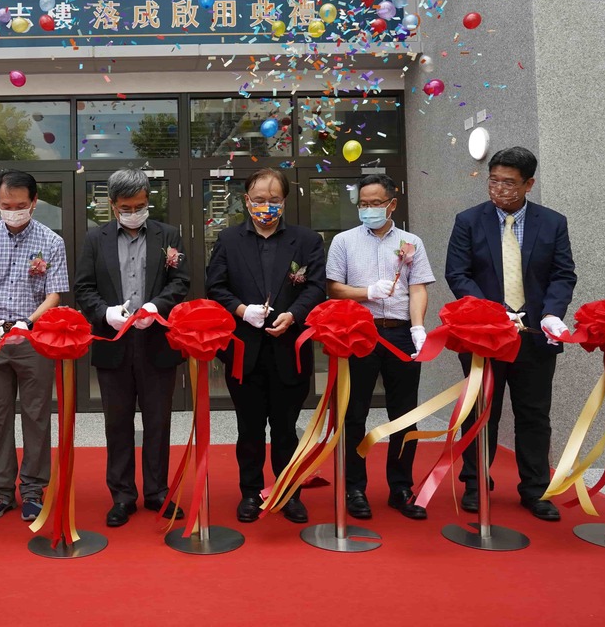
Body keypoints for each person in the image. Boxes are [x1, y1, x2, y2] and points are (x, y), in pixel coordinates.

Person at [445, 146, 576, 521]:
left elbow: (563, 274)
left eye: (509, 183)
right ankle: (474, 483)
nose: (499, 188)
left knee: (534, 415)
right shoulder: (468, 221)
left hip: (535, 336)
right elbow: (458, 273)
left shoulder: (552, 223)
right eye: (494, 180)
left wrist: (552, 314)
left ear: (528, 184)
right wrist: (492, 313)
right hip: (484, 336)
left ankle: (536, 490)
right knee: (480, 412)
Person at [205, 167, 326, 524]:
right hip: (246, 351)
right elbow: (215, 287)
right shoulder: (229, 240)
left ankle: (289, 492)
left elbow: (316, 287)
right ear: (246, 200)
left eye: (273, 201)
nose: (265, 207)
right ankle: (250, 492)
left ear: (284, 201)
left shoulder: (306, 241)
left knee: (287, 429)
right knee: (250, 429)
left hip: (290, 348)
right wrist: (242, 311)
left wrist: (294, 314)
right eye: (259, 200)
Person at [73, 168, 191, 527]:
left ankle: (157, 492)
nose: (135, 211)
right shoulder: (96, 239)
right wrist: (106, 313)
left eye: (141, 205)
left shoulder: (168, 235)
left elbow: (181, 280)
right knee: (118, 423)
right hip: (114, 343)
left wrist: (157, 307)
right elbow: (83, 288)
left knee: (158, 421)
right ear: (112, 206)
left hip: (156, 340)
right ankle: (122, 495)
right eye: (127, 206)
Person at [326, 174, 435, 521]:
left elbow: (418, 287)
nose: (369, 209)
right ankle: (354, 487)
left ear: (392, 203)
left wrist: (418, 326)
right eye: (363, 204)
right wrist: (366, 293)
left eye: (376, 203)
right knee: (353, 412)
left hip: (401, 332)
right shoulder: (343, 241)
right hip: (359, 332)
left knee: (404, 413)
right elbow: (333, 288)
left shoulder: (410, 241)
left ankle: (401, 486)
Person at [0, 170, 68, 522]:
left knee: (36, 415)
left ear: (34, 202)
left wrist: (31, 321)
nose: (13, 211)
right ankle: (2, 491)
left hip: (33, 337)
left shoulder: (51, 241)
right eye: (6, 205)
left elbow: (55, 292)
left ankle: (34, 490)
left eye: (21, 205)